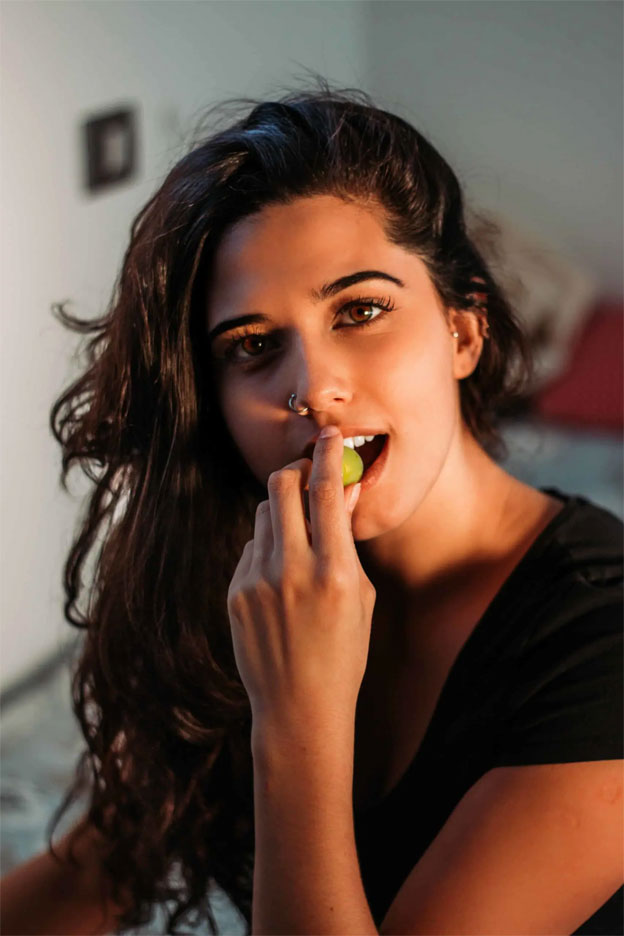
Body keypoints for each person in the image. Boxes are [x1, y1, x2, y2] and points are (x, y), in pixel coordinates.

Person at [1, 79, 622, 936]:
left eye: (360, 310)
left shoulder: (603, 644)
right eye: (253, 347)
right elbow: (106, 867)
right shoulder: (241, 576)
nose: (314, 390)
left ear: (462, 331)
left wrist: (296, 717)